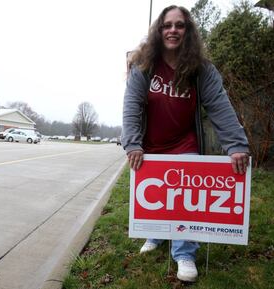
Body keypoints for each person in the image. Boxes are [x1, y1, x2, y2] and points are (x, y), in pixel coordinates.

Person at [122, 5, 250, 282]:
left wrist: (236, 145)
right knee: (156, 196)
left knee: (183, 198)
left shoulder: (200, 69)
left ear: (187, 31)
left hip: (184, 143)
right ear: (159, 30)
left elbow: (219, 106)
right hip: (151, 145)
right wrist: (132, 143)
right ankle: (155, 234)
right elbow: (131, 104)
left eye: (179, 25)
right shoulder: (143, 65)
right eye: (167, 25)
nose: (173, 30)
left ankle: (184, 254)